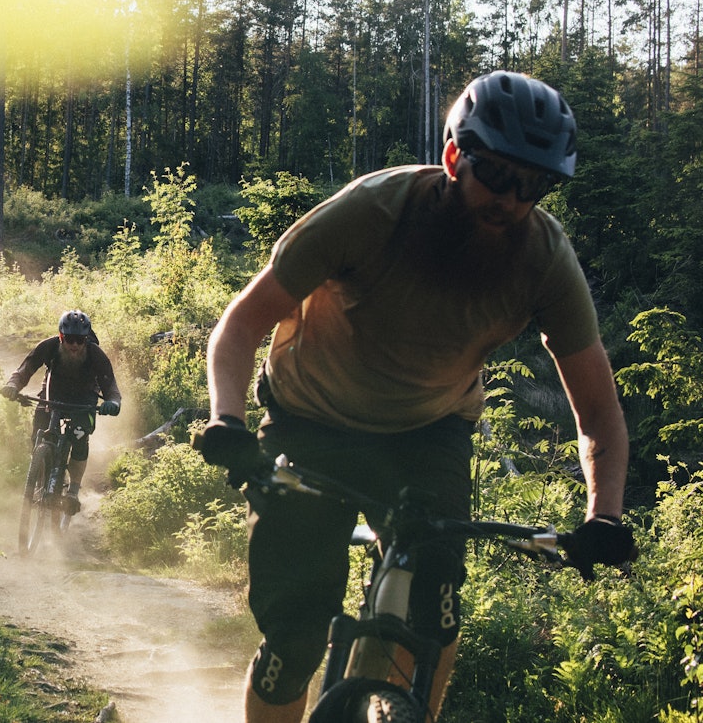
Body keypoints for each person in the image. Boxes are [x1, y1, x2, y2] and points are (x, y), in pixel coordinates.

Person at [193, 70, 636, 722]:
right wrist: (227, 421)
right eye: (496, 174)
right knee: (294, 632)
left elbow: (597, 411)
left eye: (534, 185)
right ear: (455, 155)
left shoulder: (544, 259)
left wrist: (605, 515)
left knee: (432, 607)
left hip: (430, 431)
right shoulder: (369, 213)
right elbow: (241, 324)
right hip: (311, 419)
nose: (510, 200)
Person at [1, 310, 122, 514]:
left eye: (80, 340)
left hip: (84, 399)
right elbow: (26, 368)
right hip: (52, 393)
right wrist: (13, 385)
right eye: (69, 339)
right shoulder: (48, 347)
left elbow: (111, 387)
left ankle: (73, 490)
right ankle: (41, 472)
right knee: (39, 431)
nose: (74, 345)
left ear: (86, 340)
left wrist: (113, 403)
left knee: (80, 437)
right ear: (60, 337)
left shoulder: (95, 355)